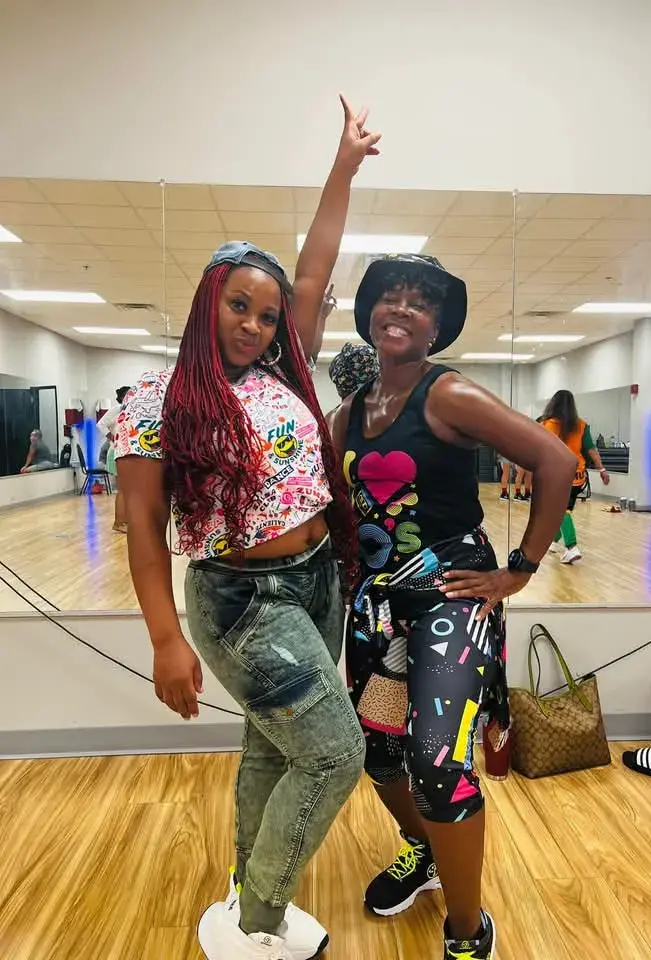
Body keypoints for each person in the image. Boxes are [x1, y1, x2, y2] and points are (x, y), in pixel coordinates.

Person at [116, 96, 381, 960]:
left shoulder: (281, 373)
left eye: (267, 315)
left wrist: (342, 168)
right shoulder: (155, 400)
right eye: (240, 305)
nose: (256, 325)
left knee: (274, 748)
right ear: (209, 301)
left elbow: (314, 267)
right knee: (333, 755)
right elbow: (144, 528)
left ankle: (248, 900)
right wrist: (165, 640)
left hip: (317, 577)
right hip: (241, 601)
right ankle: (260, 914)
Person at [329, 253, 576, 960]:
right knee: (377, 752)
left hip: (450, 597)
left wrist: (518, 571)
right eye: (391, 296)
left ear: (436, 327)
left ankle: (467, 930)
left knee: (437, 761)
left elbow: (557, 462)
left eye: (421, 302)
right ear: (370, 313)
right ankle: (425, 850)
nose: (402, 308)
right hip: (378, 608)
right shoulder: (348, 414)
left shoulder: (449, 394)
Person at [540, 390, 610, 564]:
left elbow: (540, 450)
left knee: (560, 510)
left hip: (557, 475)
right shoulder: (581, 425)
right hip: (577, 476)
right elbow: (591, 449)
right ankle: (554, 540)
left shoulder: (547, 424)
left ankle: (571, 547)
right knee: (564, 510)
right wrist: (601, 469)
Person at [97, 386, 131, 532]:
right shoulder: (117, 409)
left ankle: (126, 520)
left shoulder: (130, 411)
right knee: (122, 490)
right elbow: (100, 424)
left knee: (127, 490)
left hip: (124, 453)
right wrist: (112, 437)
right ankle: (119, 522)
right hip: (116, 452)